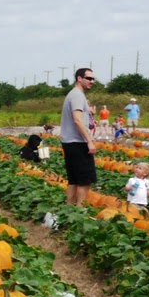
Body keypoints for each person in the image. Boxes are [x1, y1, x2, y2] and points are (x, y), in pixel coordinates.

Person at [60, 70, 97, 206]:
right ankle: (79, 210)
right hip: (78, 143)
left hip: (69, 142)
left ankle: (69, 208)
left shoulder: (73, 94)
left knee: (74, 180)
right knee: (84, 180)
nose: (91, 81)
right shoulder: (77, 96)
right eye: (88, 78)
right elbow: (77, 120)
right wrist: (89, 141)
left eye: (93, 79)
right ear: (79, 78)